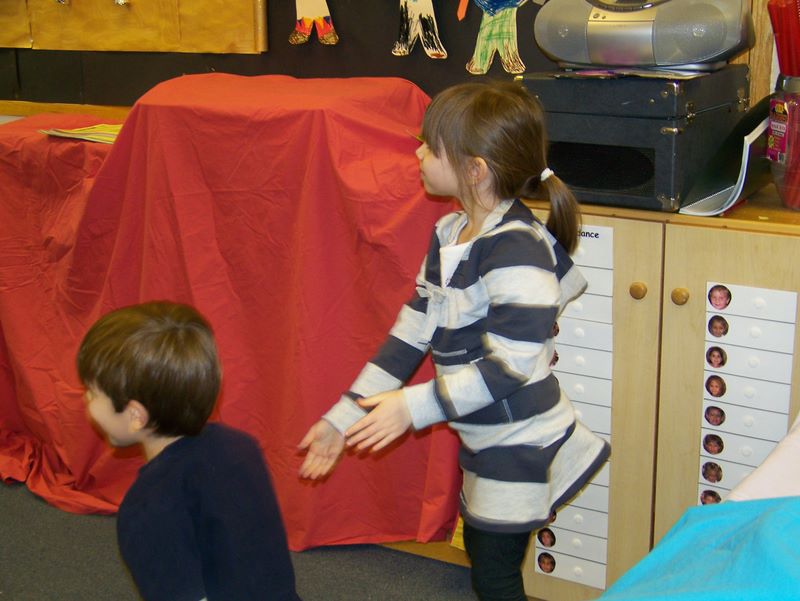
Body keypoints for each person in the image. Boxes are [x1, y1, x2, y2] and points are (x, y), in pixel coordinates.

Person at [298, 81, 610, 601]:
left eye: (430, 146)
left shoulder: (517, 250)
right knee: (486, 559)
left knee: (494, 577)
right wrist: (343, 417)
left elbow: (510, 365)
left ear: (475, 169)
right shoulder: (450, 233)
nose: (418, 154)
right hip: (486, 437)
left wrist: (413, 407)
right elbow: (409, 335)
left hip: (521, 441)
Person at [77, 301, 300, 601]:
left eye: (92, 393)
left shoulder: (146, 508)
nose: (85, 401)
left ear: (135, 417)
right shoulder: (241, 446)